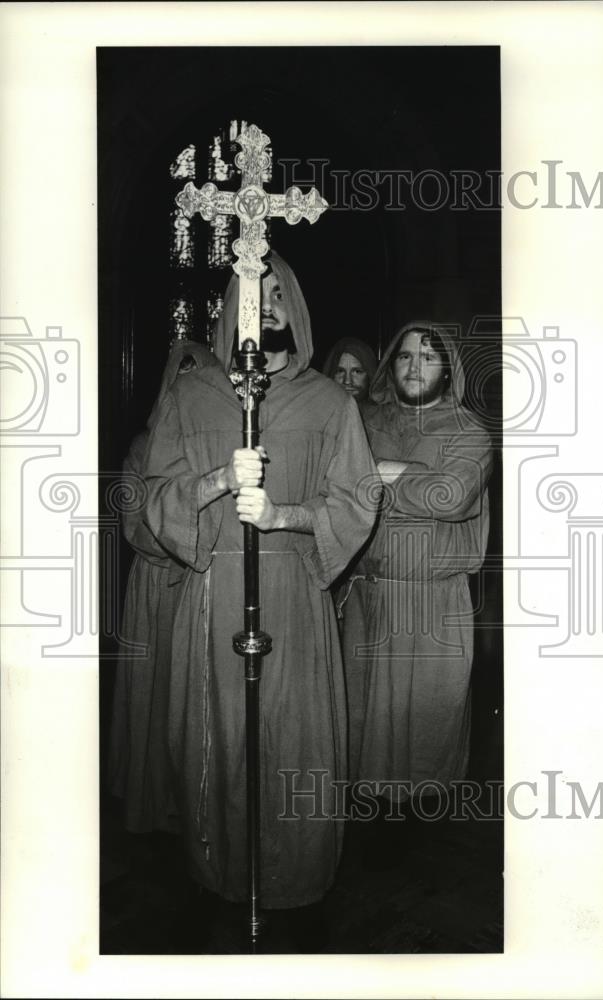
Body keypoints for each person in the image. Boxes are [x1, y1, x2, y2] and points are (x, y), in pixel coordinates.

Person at [141, 251, 378, 911]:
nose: (264, 304)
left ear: (294, 304)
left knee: (294, 736)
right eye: (251, 291)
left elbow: (357, 500)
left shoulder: (330, 404)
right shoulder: (192, 395)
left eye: (276, 292)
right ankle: (220, 869)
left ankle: (293, 874)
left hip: (295, 594)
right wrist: (218, 481)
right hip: (215, 590)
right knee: (217, 736)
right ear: (227, 307)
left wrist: (283, 516)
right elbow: (153, 494)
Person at [340, 321, 492, 826]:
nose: (414, 366)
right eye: (405, 356)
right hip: (366, 595)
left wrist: (383, 473)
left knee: (425, 728)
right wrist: (407, 478)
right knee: (364, 728)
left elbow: (449, 496)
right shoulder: (364, 420)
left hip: (432, 601)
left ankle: (423, 832)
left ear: (447, 369)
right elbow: (340, 485)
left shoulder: (469, 431)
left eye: (428, 357)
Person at [108, 339, 219, 834]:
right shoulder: (141, 447)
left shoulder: (217, 451)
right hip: (158, 588)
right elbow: (137, 526)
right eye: (181, 376)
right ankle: (153, 803)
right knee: (155, 700)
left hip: (203, 590)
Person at [322, 336, 378, 414]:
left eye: (357, 371)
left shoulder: (385, 418)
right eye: (340, 371)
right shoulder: (318, 415)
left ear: (370, 375)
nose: (347, 381)